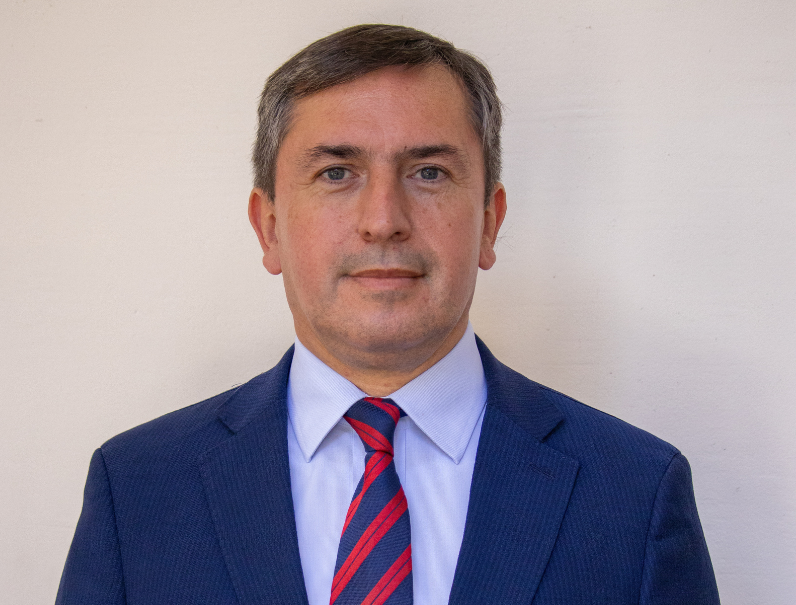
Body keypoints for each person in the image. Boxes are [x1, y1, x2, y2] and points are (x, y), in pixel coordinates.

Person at [56, 24, 720, 605]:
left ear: (489, 222)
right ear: (269, 228)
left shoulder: (634, 491)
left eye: (428, 172)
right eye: (336, 173)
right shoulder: (138, 487)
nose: (382, 220)